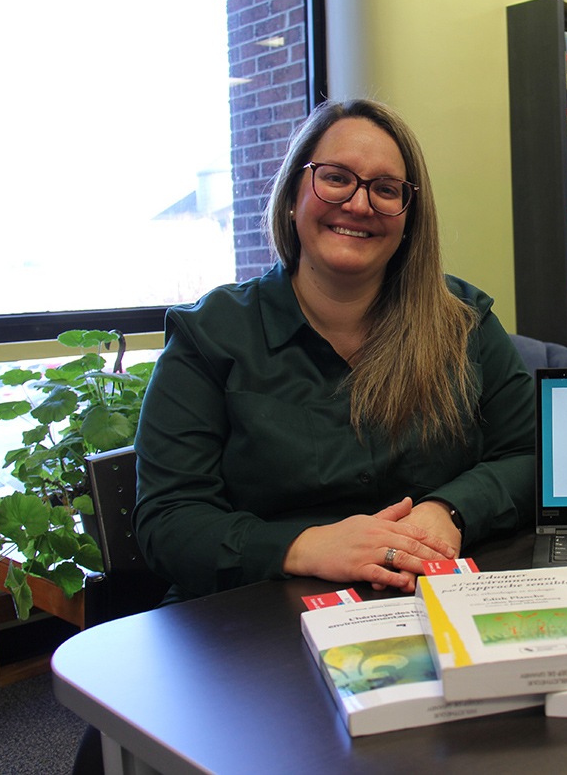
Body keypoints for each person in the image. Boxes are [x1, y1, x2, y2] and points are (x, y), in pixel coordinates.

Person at [131, 97, 536, 601]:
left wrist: (448, 511)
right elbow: (168, 520)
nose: (360, 204)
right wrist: (304, 547)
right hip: (260, 616)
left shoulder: (464, 321)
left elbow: (529, 454)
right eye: (337, 178)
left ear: (410, 219)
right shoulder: (210, 335)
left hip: (434, 598)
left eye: (386, 189)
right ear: (292, 195)